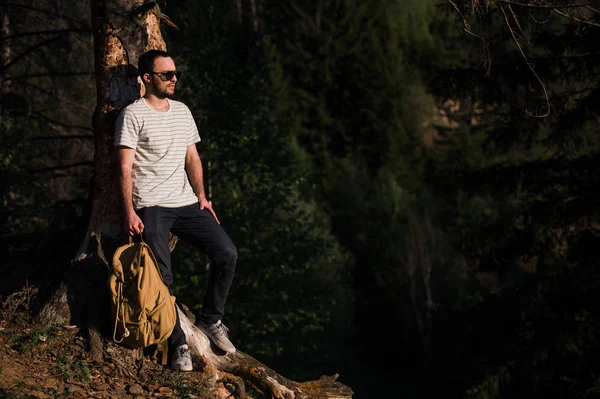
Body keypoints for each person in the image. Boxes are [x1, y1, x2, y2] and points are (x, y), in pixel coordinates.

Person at [114, 50, 238, 372]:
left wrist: (202, 196)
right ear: (147, 78)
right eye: (166, 74)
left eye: (175, 73)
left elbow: (192, 157)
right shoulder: (132, 115)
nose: (174, 79)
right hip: (152, 205)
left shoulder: (182, 111)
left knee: (227, 253)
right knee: (162, 278)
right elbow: (124, 169)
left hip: (186, 201)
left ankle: (212, 320)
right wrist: (129, 211)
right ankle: (178, 344)